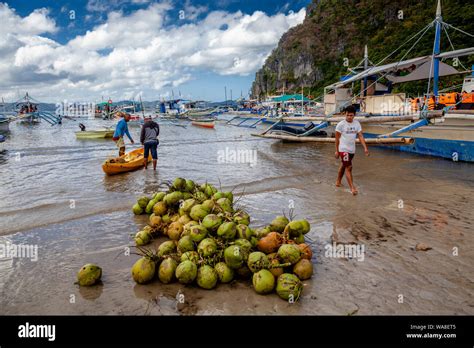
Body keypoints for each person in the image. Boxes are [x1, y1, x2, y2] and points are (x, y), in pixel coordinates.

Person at [335, 105, 369, 195]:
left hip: (352, 150)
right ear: (345, 114)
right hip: (343, 149)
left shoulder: (357, 124)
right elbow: (337, 139)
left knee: (344, 165)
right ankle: (352, 188)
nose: (349, 117)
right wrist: (337, 151)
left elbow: (360, 136)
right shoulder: (341, 125)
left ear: (354, 115)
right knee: (349, 167)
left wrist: (365, 148)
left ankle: (338, 182)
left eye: (351, 115)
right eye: (348, 115)